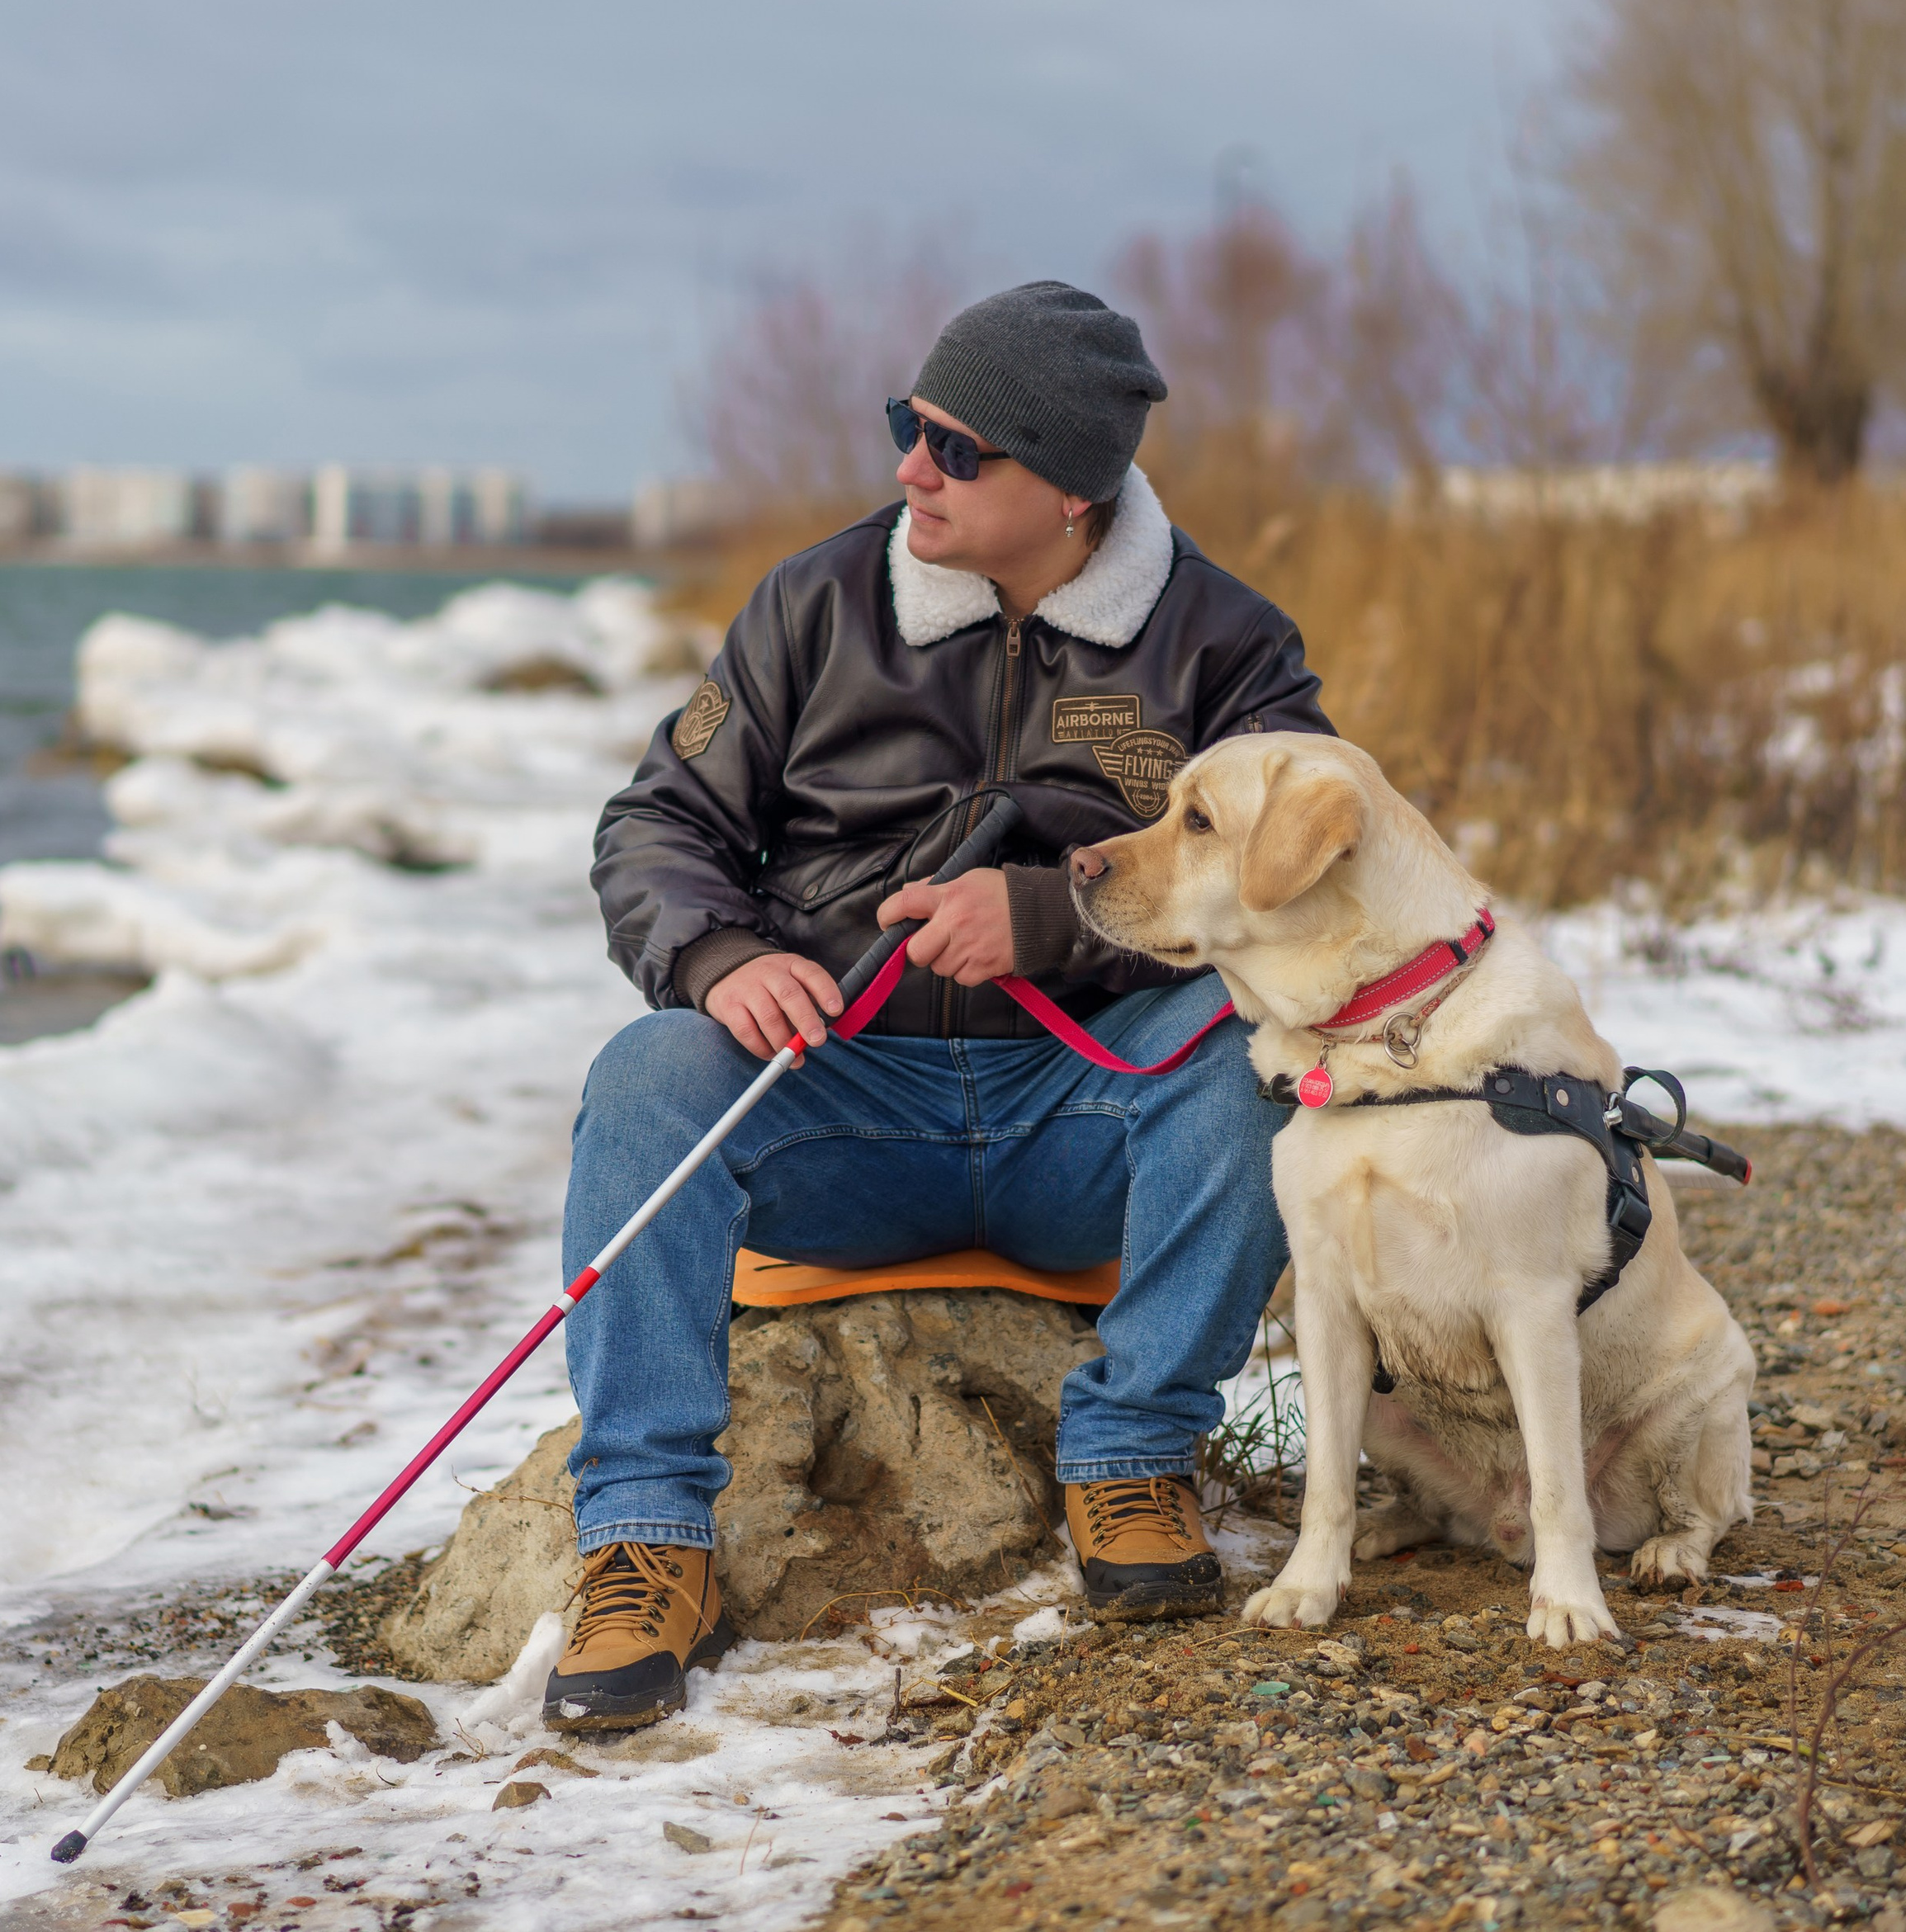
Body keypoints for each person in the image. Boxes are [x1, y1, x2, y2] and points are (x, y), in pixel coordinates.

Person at [546, 281, 1332, 1731]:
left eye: (957, 450)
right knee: (648, 1068)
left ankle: (1135, 1458)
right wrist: (721, 960)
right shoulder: (815, 604)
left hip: (1087, 1118)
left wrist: (1050, 917)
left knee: (1260, 1057)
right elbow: (654, 831)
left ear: (1075, 489)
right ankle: (647, 1534)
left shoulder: (1226, 645)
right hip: (840, 1112)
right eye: (909, 426)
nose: (911, 465)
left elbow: (1297, 896)